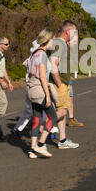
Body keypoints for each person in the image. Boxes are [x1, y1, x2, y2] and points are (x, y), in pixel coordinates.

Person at [27, 29, 59, 158]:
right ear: (47, 40)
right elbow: (42, 76)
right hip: (40, 90)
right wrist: (47, 96)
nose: (53, 42)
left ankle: (32, 149)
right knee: (53, 117)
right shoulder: (43, 55)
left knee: (36, 118)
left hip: (31, 90)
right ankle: (40, 145)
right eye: (52, 40)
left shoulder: (33, 55)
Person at [50, 20, 80, 149]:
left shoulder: (63, 44)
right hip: (60, 83)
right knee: (61, 112)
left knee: (62, 112)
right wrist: (59, 83)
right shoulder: (59, 44)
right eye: (75, 32)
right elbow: (53, 64)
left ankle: (62, 140)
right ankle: (41, 126)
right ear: (67, 31)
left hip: (64, 82)